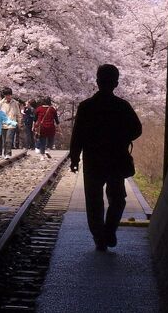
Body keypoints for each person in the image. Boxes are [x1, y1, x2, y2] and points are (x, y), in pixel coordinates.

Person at [69, 64, 142, 252]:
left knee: (93, 200)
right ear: (116, 83)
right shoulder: (122, 106)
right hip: (116, 159)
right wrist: (122, 138)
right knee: (118, 198)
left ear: (97, 81)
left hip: (93, 160)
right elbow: (137, 129)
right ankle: (110, 230)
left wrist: (75, 158)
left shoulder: (86, 107)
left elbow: (77, 135)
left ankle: (99, 237)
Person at [0, 87, 21, 158]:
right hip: (3, 124)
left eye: (9, 95)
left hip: (12, 123)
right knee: (4, 140)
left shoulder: (15, 103)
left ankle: (8, 153)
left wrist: (19, 122)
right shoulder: (1, 103)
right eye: (6, 95)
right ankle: (5, 153)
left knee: (9, 139)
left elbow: (18, 113)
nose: (8, 96)